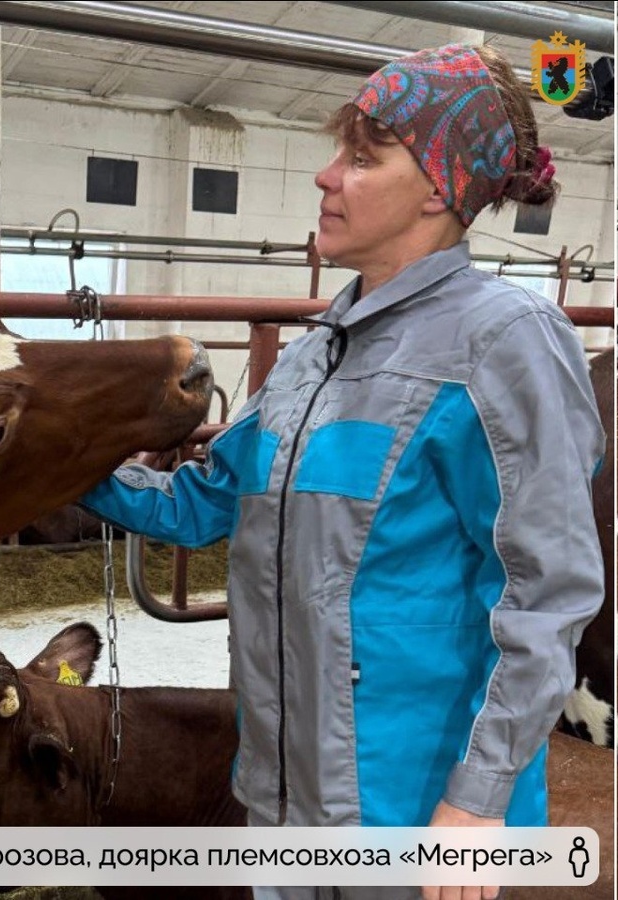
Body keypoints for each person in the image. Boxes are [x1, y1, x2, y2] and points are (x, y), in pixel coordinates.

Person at [79, 43, 606, 900]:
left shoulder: (503, 339)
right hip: (285, 805)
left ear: (440, 186)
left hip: (413, 822)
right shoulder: (315, 352)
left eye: (362, 157)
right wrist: (49, 464)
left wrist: (478, 804)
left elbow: (547, 594)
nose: (326, 177)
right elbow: (199, 503)